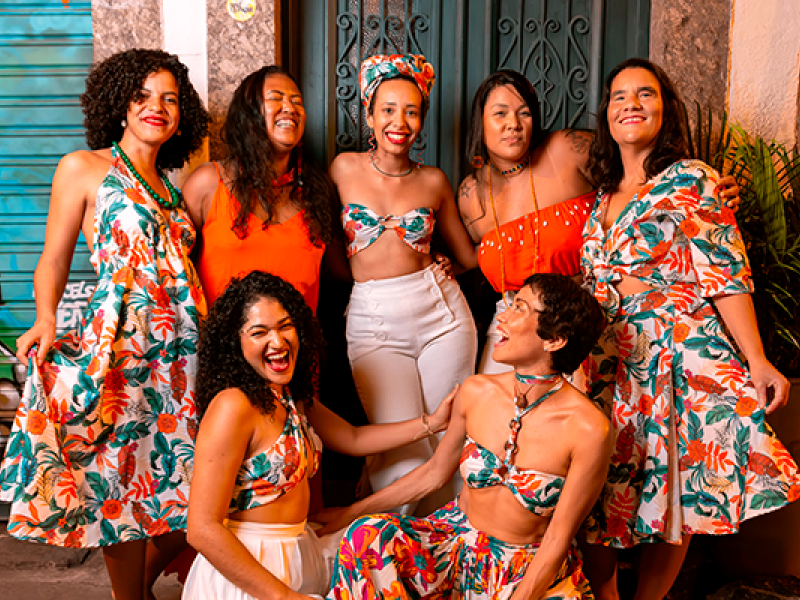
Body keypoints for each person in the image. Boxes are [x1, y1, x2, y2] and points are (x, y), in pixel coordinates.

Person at [579, 57, 800, 600]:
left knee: (674, 488)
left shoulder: (692, 179)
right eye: (619, 96)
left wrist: (756, 359)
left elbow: (725, 272)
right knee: (598, 488)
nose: (631, 103)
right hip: (610, 358)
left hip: (676, 353)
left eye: (645, 94)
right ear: (606, 114)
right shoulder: (602, 196)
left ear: (666, 109)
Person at [0, 49, 209, 600]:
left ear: (181, 112)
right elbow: (53, 258)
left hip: (186, 352)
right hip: (122, 348)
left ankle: (135, 591)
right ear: (120, 105)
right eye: (143, 96)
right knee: (123, 478)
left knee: (190, 486)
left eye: (169, 98)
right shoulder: (85, 167)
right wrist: (46, 317)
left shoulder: (171, 186)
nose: (156, 107)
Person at [317, 273, 611, 599]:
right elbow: (433, 474)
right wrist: (349, 513)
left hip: (522, 565)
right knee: (367, 535)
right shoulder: (476, 392)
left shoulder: (588, 429)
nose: (503, 317)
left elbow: (559, 537)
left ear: (554, 339)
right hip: (453, 541)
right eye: (510, 306)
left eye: (521, 309)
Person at [183, 270, 456, 599]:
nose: (278, 342)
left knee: (385, 543)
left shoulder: (290, 397)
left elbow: (354, 439)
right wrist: (285, 597)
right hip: (250, 570)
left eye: (285, 326)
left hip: (300, 551)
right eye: (259, 332)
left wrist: (433, 422)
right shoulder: (233, 405)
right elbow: (201, 529)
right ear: (235, 343)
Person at [456, 70, 741, 374]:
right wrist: (433, 259)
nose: (513, 124)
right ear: (480, 121)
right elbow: (474, 257)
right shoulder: (470, 194)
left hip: (588, 317)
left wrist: (707, 189)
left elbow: (643, 175)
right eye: (500, 114)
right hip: (513, 322)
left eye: (524, 112)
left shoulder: (567, 149)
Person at [330, 53, 478, 514]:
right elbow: (326, 251)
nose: (400, 121)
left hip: (443, 316)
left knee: (451, 447)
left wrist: (442, 262)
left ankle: (447, 563)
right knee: (401, 464)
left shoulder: (434, 180)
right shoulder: (342, 169)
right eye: (389, 109)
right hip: (375, 321)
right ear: (369, 114)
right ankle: (392, 565)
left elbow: (468, 258)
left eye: (412, 111)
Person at [183, 65, 346, 312]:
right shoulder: (207, 183)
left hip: (295, 347)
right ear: (249, 114)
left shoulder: (318, 192)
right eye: (276, 98)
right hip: (220, 347)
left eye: (296, 101)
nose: (290, 108)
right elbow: (177, 274)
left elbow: (341, 277)